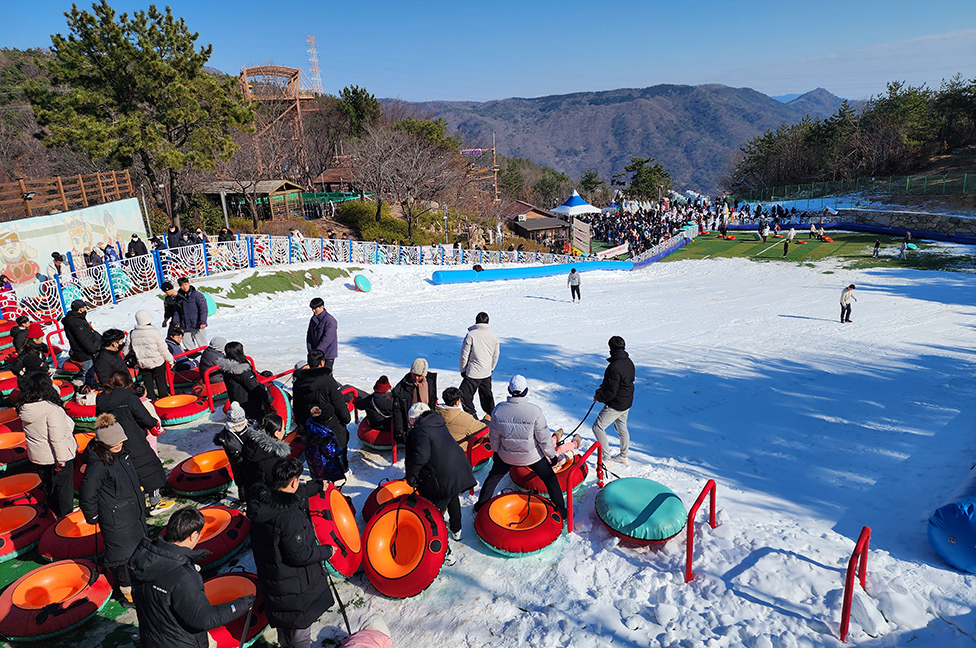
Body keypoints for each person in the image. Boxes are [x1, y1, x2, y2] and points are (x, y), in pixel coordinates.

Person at [129, 507, 253, 648]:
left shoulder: (142, 559)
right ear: (193, 536)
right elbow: (204, 618)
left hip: (152, 639)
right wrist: (240, 605)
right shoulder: (183, 576)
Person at [248, 458, 335, 648]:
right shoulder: (289, 517)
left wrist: (317, 486)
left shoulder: (260, 504)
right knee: (300, 633)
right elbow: (300, 555)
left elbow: (296, 493)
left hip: (274, 579)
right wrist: (327, 551)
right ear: (294, 482)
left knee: (285, 626)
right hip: (295, 586)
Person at [474, 375, 566, 519]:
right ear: (526, 391)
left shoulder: (499, 410)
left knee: (493, 477)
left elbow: (494, 436)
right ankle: (561, 511)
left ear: (509, 390)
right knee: (550, 479)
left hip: (506, 455)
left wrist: (497, 452)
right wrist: (552, 456)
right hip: (532, 456)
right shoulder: (535, 411)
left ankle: (480, 506)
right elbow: (544, 438)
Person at [80, 413, 148, 605]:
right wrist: (93, 516)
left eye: (120, 440)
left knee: (137, 548)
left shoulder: (122, 454)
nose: (118, 444)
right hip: (116, 517)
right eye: (113, 442)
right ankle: (127, 591)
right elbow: (87, 493)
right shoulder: (98, 465)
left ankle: (138, 581)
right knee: (123, 556)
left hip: (133, 511)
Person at [96, 372, 168, 512]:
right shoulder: (129, 398)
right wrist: (153, 423)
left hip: (113, 440)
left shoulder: (101, 399)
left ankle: (136, 502)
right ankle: (155, 501)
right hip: (134, 437)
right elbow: (143, 417)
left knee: (127, 470)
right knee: (149, 468)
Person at [405, 402, 476, 542]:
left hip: (444, 475)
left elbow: (421, 456)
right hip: (457, 468)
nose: (411, 424)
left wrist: (412, 476)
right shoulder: (438, 423)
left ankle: (438, 542)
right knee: (452, 495)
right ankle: (457, 530)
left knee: (434, 510)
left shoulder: (420, 431)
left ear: (415, 419)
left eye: (412, 421)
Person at [18, 372, 77, 518]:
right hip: (57, 456)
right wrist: (61, 460)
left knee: (48, 487)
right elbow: (57, 438)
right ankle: (65, 518)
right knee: (64, 490)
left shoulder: (25, 409)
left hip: (38, 456)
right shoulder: (52, 410)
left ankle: (53, 513)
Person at [592, 336, 636, 465]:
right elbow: (618, 384)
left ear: (610, 348)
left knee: (597, 427)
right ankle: (623, 456)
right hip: (627, 401)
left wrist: (599, 397)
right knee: (622, 427)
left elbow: (611, 392)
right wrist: (602, 389)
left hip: (616, 404)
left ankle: (607, 459)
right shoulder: (629, 361)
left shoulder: (614, 367)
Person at [458, 312, 499, 418]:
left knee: (463, 395)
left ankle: (473, 417)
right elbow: (496, 355)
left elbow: (464, 354)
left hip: (473, 373)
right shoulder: (494, 336)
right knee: (487, 397)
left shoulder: (471, 335)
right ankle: (493, 418)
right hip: (486, 372)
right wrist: (491, 368)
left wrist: (463, 369)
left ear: (476, 321)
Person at [238, 413, 292, 494]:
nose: (284, 430)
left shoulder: (249, 444)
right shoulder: (275, 458)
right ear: (276, 433)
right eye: (283, 428)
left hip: (251, 493)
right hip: (267, 499)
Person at [125, 311, 174, 399]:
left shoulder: (132, 333)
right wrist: (170, 360)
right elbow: (163, 348)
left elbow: (126, 350)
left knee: (148, 383)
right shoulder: (154, 332)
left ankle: (151, 400)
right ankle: (164, 399)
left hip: (142, 364)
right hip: (157, 362)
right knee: (161, 382)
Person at [217, 341, 270, 421]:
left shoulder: (226, 369)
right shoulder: (242, 371)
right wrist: (268, 397)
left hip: (237, 401)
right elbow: (254, 388)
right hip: (249, 404)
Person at [391, 358, 438, 444]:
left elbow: (432, 400)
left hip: (426, 419)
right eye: (414, 374)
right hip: (410, 422)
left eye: (419, 375)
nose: (416, 378)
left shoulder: (429, 382)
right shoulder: (402, 387)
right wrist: (400, 431)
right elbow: (397, 411)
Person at [213, 401, 250, 495]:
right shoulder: (226, 438)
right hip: (239, 464)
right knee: (241, 483)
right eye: (237, 425)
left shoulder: (249, 427)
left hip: (251, 461)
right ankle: (243, 501)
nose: (240, 426)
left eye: (242, 424)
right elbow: (234, 456)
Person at [435, 386, 488, 452]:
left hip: (438, 449)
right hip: (460, 453)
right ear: (457, 402)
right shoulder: (465, 419)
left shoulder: (434, 413)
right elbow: (486, 432)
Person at [61, 300, 101, 385]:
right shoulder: (78, 323)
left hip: (79, 350)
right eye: (84, 307)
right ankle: (89, 387)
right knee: (88, 373)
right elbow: (84, 340)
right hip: (84, 353)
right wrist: (93, 350)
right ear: (80, 309)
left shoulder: (73, 319)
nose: (86, 309)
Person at [306, 297, 338, 370]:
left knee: (326, 375)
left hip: (327, 354)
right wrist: (310, 350)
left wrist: (317, 352)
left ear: (322, 307)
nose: (313, 311)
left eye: (315, 309)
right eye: (312, 309)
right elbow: (309, 335)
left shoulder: (330, 321)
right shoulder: (313, 319)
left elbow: (327, 339)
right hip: (315, 354)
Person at [177, 277, 208, 348]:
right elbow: (176, 311)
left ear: (189, 284)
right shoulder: (179, 297)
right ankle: (194, 356)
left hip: (197, 324)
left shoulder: (197, 295)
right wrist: (177, 322)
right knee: (187, 342)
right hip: (185, 325)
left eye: (185, 284)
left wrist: (203, 321)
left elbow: (203, 309)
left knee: (202, 343)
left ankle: (205, 356)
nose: (184, 287)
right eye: (182, 285)